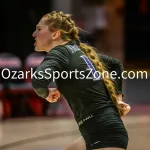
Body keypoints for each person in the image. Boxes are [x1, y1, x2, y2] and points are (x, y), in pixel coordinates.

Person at [32, 11, 131, 150]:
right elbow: (116, 65)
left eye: (39, 29)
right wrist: (118, 98)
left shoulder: (60, 52)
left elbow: (38, 80)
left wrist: (46, 94)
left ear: (55, 34)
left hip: (105, 135)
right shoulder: (79, 50)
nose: (34, 34)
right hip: (100, 131)